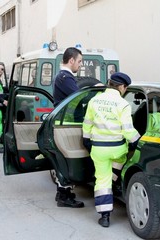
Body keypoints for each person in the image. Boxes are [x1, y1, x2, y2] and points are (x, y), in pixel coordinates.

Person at [82, 72, 140, 227]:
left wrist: (86, 140)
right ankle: (114, 182)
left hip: (99, 149)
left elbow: (87, 123)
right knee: (119, 161)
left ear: (109, 82)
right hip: (117, 149)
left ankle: (105, 216)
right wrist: (138, 142)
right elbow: (128, 130)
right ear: (122, 87)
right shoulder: (123, 104)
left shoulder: (94, 101)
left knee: (102, 180)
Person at [52, 47, 84, 208]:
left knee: (63, 160)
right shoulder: (66, 77)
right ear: (71, 60)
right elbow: (79, 97)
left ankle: (62, 193)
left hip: (63, 124)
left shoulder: (63, 77)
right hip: (66, 124)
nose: (80, 65)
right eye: (79, 61)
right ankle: (64, 196)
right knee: (66, 161)